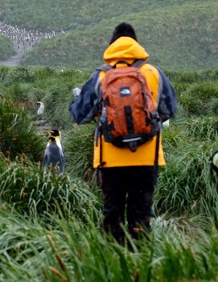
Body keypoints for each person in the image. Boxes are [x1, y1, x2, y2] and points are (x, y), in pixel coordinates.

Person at [69, 22, 177, 243]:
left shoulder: (101, 76)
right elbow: (169, 110)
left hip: (111, 159)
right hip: (147, 157)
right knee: (141, 216)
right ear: (137, 45)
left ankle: (114, 263)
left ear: (112, 46)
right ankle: (141, 263)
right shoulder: (153, 73)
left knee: (113, 214)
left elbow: (80, 114)